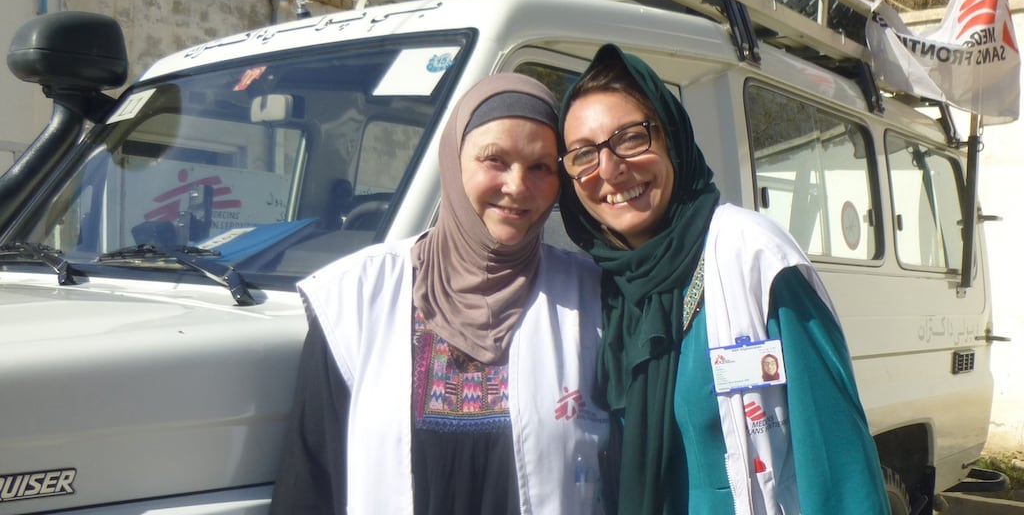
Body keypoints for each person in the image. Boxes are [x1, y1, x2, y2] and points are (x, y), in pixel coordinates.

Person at [556, 44, 889, 515]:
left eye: (630, 138)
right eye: (583, 154)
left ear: (671, 137)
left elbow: (837, 465)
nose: (608, 170)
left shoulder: (755, 257)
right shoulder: (602, 290)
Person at [270, 73, 608, 515]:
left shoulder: (590, 297)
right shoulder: (356, 299)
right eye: (495, 159)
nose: (517, 186)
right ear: (453, 160)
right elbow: (310, 484)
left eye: (541, 166)